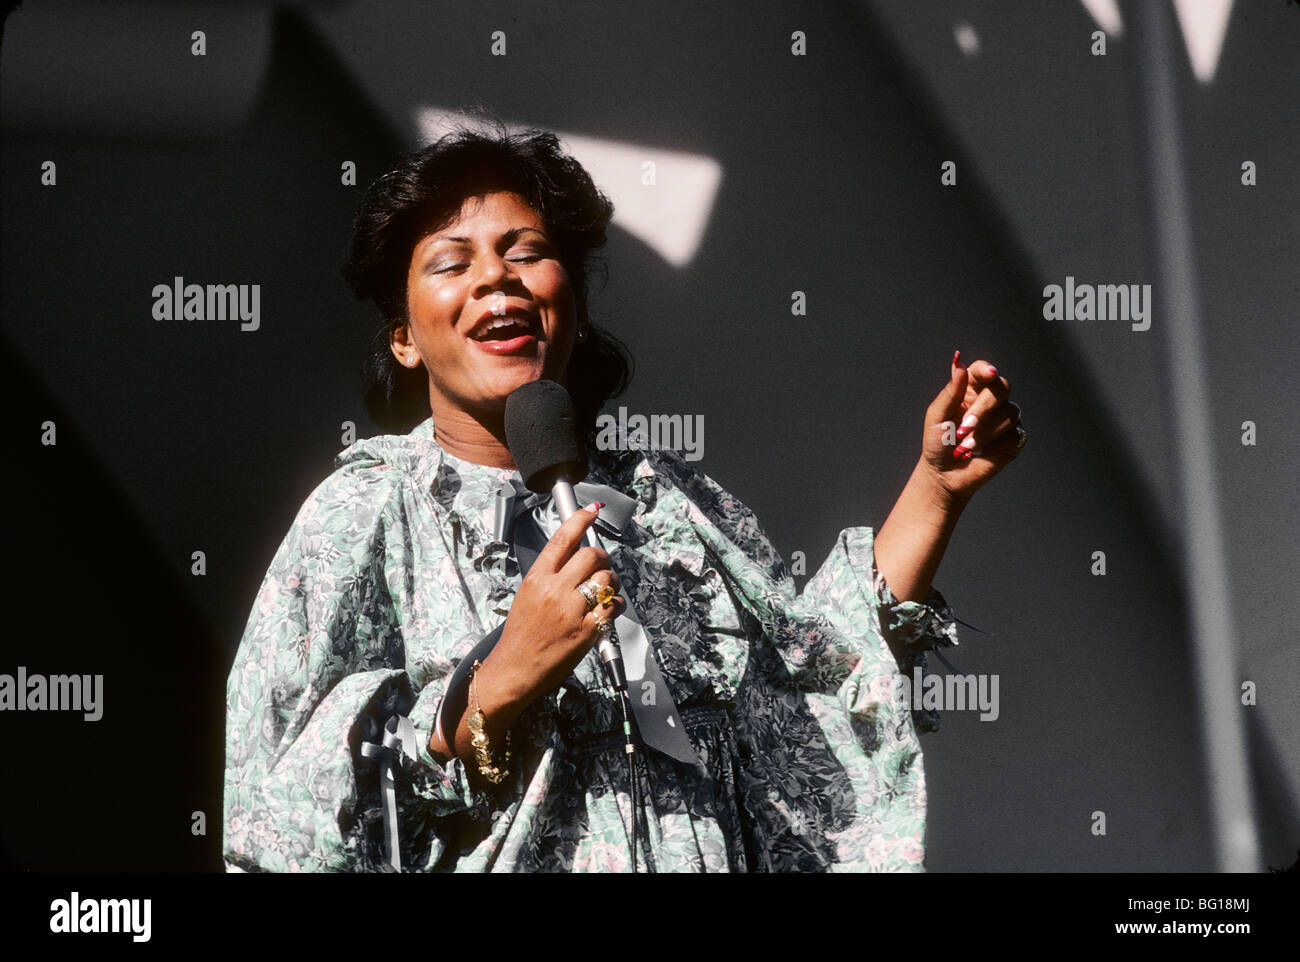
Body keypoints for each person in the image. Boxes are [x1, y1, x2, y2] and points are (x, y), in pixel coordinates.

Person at [222, 119, 1025, 873]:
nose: (495, 278)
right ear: (403, 335)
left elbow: (819, 691)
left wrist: (937, 487)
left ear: (569, 295)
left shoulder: (670, 502)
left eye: (524, 252)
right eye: (452, 262)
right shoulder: (362, 513)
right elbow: (277, 817)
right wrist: (494, 685)